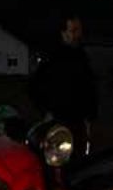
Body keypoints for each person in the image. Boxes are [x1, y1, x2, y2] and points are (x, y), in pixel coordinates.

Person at [29, 13, 98, 158]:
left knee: (81, 159)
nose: (78, 35)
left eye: (79, 30)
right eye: (73, 31)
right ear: (64, 33)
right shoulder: (53, 58)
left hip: (79, 121)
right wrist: (46, 110)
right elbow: (34, 86)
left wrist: (91, 116)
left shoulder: (82, 57)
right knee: (62, 161)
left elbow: (89, 88)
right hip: (59, 121)